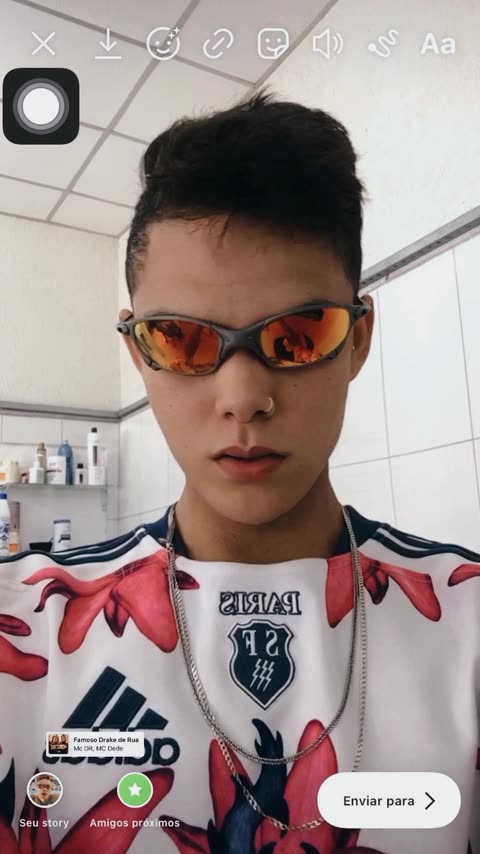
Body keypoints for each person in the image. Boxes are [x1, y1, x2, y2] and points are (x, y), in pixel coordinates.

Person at [0, 91, 478, 854]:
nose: (243, 398)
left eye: (299, 335)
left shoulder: (467, 624)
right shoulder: (23, 631)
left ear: (357, 341)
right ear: (138, 353)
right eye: (183, 340)